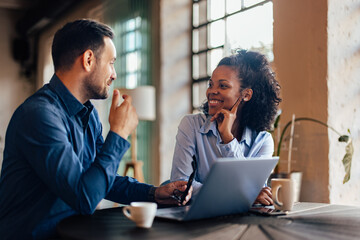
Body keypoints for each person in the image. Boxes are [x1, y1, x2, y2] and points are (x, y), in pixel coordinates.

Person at [0, 19, 191, 240]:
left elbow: (100, 180)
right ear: (89, 59)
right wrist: (118, 133)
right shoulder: (39, 115)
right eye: (111, 62)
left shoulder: (88, 116)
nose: (114, 74)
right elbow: (85, 197)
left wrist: (154, 193)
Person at [170, 49, 281, 205]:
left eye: (223, 86)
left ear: (246, 95)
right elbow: (180, 185)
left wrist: (227, 138)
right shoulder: (191, 126)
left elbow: (255, 189)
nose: (211, 91)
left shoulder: (262, 141)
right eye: (211, 84)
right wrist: (242, 195)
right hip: (196, 221)